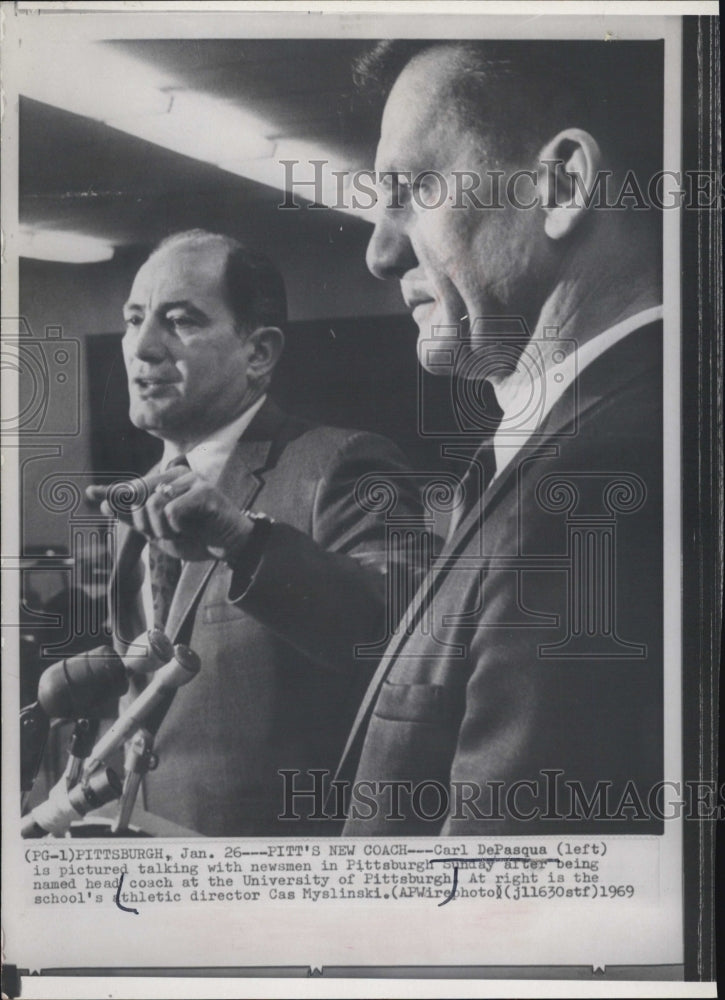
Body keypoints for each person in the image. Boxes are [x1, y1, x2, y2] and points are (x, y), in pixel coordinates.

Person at [333, 41, 665, 834]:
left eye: (410, 190)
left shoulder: (590, 484)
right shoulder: (579, 445)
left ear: (560, 185)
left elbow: (500, 919)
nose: (379, 251)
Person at [87, 229, 422, 836]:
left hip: (282, 877)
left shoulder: (343, 462)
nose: (143, 346)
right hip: (147, 860)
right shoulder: (139, 496)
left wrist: (245, 542)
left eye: (180, 320)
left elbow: (405, 636)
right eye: (134, 320)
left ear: (259, 353)